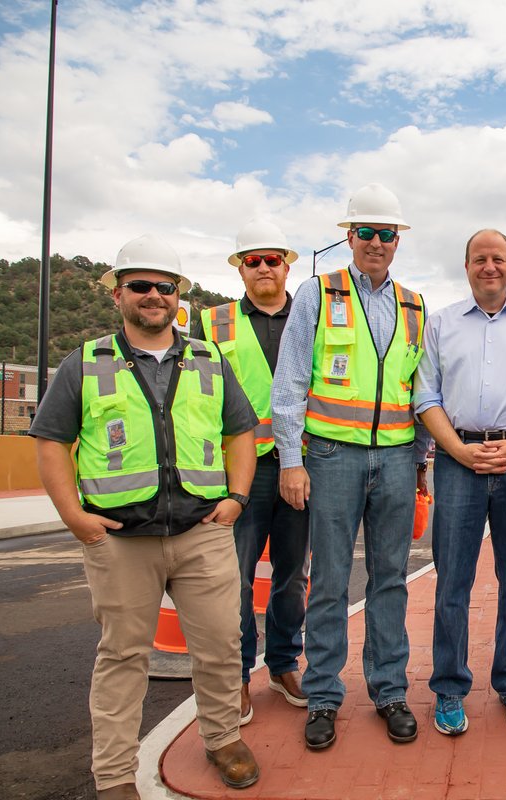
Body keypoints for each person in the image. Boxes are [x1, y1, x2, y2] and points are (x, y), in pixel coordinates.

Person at [32, 234, 260, 798]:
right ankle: (113, 777)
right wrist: (74, 518)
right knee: (122, 657)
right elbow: (50, 443)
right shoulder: (84, 363)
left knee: (221, 647)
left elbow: (241, 433)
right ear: (118, 294)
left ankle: (223, 738)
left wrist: (236, 499)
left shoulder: (209, 360)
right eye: (140, 286)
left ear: (179, 295)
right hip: (119, 540)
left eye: (165, 286)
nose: (153, 296)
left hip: (202, 532)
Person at [271, 183, 430, 750]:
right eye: (366, 232)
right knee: (331, 581)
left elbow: (421, 390)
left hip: (394, 458)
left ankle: (389, 689)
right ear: (349, 236)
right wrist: (292, 460)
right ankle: (323, 696)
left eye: (386, 234)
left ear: (397, 240)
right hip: (331, 457)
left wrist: (419, 465)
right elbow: (289, 382)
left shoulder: (414, 305)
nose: (376, 242)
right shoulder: (318, 293)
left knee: (390, 579)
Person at [414, 229, 506, 736]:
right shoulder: (440, 325)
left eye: (498, 258)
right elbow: (426, 396)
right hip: (458, 460)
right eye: (480, 259)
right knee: (453, 578)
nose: (489, 267)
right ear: (467, 266)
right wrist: (456, 450)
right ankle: (450, 687)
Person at [200, 219, 309, 725]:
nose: (264, 267)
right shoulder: (213, 322)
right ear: (240, 268)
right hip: (238, 472)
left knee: (291, 575)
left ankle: (284, 665)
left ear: (287, 265)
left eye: (272, 259)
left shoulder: (311, 316)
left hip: (300, 465)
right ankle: (239, 674)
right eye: (253, 260)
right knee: (236, 578)